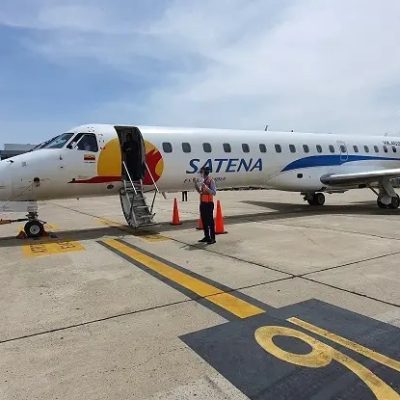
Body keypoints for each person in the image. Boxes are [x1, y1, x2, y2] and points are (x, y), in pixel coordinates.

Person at [195, 167, 217, 244]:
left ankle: (212, 238)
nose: (200, 174)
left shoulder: (211, 181)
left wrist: (206, 188)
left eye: (201, 172)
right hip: (203, 203)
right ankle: (207, 237)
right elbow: (200, 192)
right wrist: (195, 184)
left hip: (209, 204)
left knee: (210, 221)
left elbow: (214, 192)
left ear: (205, 172)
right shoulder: (203, 181)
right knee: (204, 221)